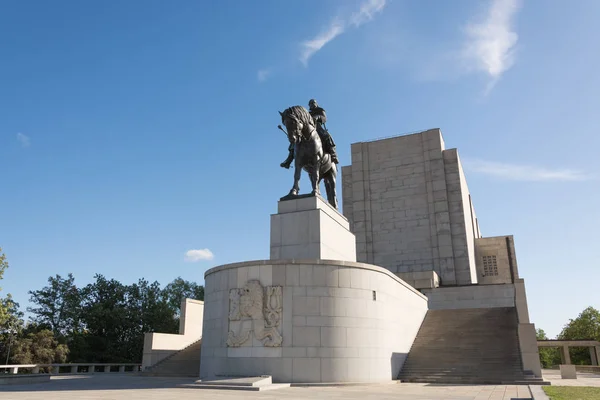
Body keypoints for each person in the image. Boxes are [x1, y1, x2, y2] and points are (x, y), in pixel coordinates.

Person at [280, 99, 338, 169]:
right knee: (295, 140)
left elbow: (324, 118)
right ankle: (289, 159)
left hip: (317, 127)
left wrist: (318, 117)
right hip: (307, 129)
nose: (312, 105)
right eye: (310, 104)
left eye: (313, 103)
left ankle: (333, 153)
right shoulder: (308, 113)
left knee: (326, 135)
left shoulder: (320, 110)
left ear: (316, 103)